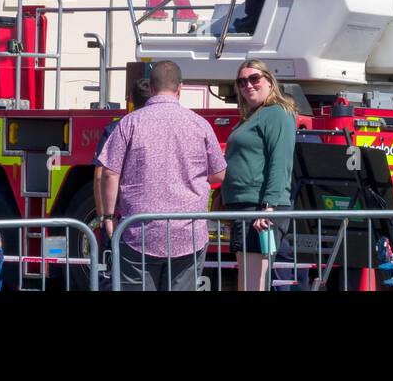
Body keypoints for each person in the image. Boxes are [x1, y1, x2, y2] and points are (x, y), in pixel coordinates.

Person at [96, 60, 226, 291]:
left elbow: (109, 173)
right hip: (188, 232)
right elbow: (218, 174)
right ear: (180, 89)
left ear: (152, 89)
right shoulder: (200, 124)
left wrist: (107, 216)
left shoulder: (128, 123)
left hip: (139, 232)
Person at [221, 59, 297, 291]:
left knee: (254, 283)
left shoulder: (277, 113)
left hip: (260, 209)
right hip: (246, 209)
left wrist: (269, 206)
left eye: (254, 78)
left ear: (269, 81)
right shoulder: (254, 115)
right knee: (248, 282)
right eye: (242, 81)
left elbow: (280, 161)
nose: (248, 85)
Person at [92, 76, 152, 243]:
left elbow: (100, 176)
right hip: (157, 218)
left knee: (112, 264)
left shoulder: (116, 128)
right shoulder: (162, 127)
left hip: (121, 215)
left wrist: (105, 218)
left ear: (131, 100)